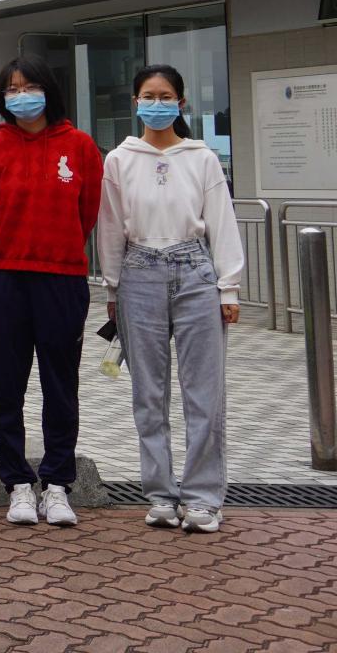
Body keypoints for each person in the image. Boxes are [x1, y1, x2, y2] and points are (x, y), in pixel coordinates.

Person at [95, 63, 243, 535]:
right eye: (147, 96)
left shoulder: (201, 157)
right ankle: (159, 493)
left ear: (181, 103)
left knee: (205, 392)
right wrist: (113, 289)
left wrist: (229, 286)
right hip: (139, 273)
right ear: (134, 102)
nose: (155, 104)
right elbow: (111, 228)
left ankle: (202, 498)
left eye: (165, 96)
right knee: (149, 394)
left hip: (196, 272)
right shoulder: (119, 159)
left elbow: (221, 220)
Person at [0, 56, 102, 529]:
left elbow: (87, 215)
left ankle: (58, 484)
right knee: (7, 384)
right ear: (3, 98)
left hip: (62, 278)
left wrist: (57, 252)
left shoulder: (81, 147)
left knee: (60, 385)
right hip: (6, 277)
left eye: (30, 87)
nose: (21, 95)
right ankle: (18, 484)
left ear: (49, 90)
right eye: (12, 89)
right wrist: (9, 251)